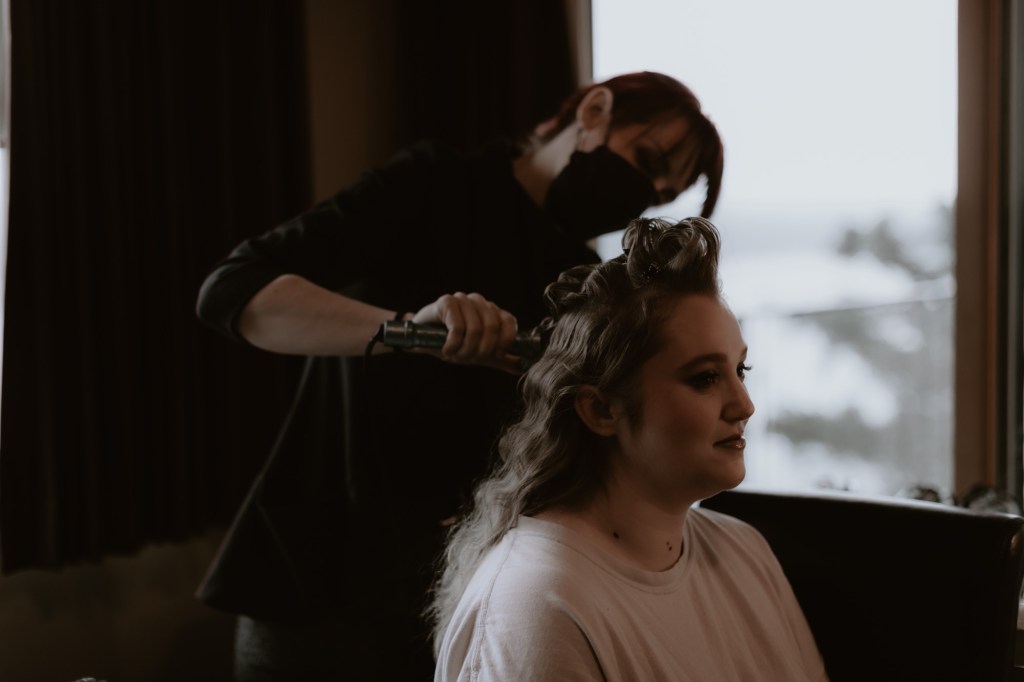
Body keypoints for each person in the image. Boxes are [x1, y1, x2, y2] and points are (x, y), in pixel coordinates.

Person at [195, 71, 724, 681]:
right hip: (321, 582)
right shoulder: (433, 185)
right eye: (648, 162)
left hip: (456, 594)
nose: (642, 193)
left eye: (659, 195)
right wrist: (406, 330)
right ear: (595, 111)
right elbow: (232, 292)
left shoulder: (579, 279)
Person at [430, 217, 829, 681]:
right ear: (601, 410)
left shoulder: (745, 551)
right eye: (704, 378)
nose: (745, 405)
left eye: (741, 370)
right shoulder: (536, 607)